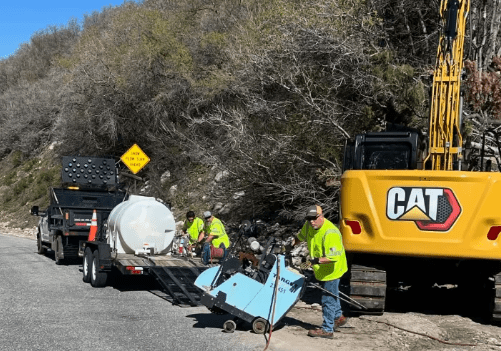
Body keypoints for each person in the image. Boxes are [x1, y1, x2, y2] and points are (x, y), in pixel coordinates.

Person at [293, 205, 348, 339]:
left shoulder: (331, 233)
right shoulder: (309, 225)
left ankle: (327, 329)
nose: (312, 221)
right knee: (332, 293)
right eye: (309, 218)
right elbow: (300, 237)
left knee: (328, 298)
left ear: (321, 215)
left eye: (314, 218)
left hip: (332, 271)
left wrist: (313, 262)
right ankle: (338, 317)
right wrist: (288, 246)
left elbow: (332, 258)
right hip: (321, 270)